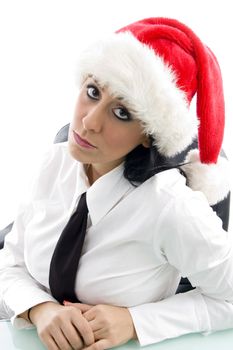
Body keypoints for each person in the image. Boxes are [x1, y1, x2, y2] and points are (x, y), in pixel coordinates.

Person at [0, 16, 232, 350]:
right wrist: (40, 308)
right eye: (93, 92)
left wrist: (136, 322)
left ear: (149, 136)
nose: (88, 122)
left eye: (122, 113)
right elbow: (12, 261)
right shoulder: (56, 161)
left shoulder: (172, 208)